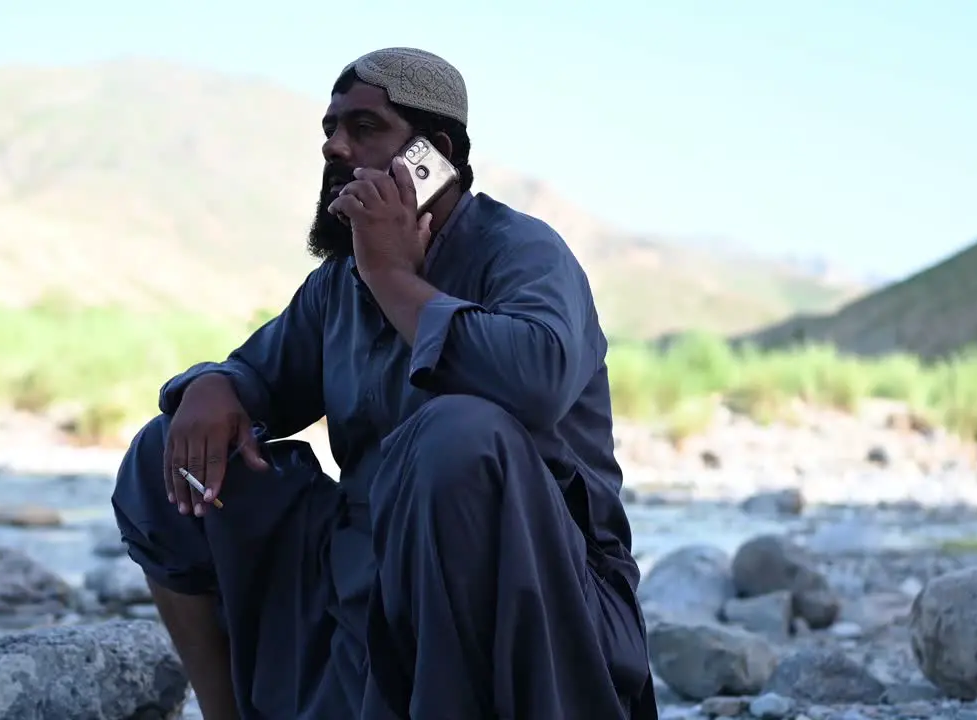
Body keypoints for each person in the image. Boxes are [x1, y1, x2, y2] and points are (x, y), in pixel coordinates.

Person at [112, 46, 657, 720]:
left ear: (434, 154)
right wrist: (212, 385)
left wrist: (396, 281)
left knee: (457, 437)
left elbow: (536, 382)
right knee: (169, 448)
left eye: (364, 129)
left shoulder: (521, 252)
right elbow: (258, 375)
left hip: (536, 606)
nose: (336, 147)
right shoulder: (340, 284)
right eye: (330, 130)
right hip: (366, 595)